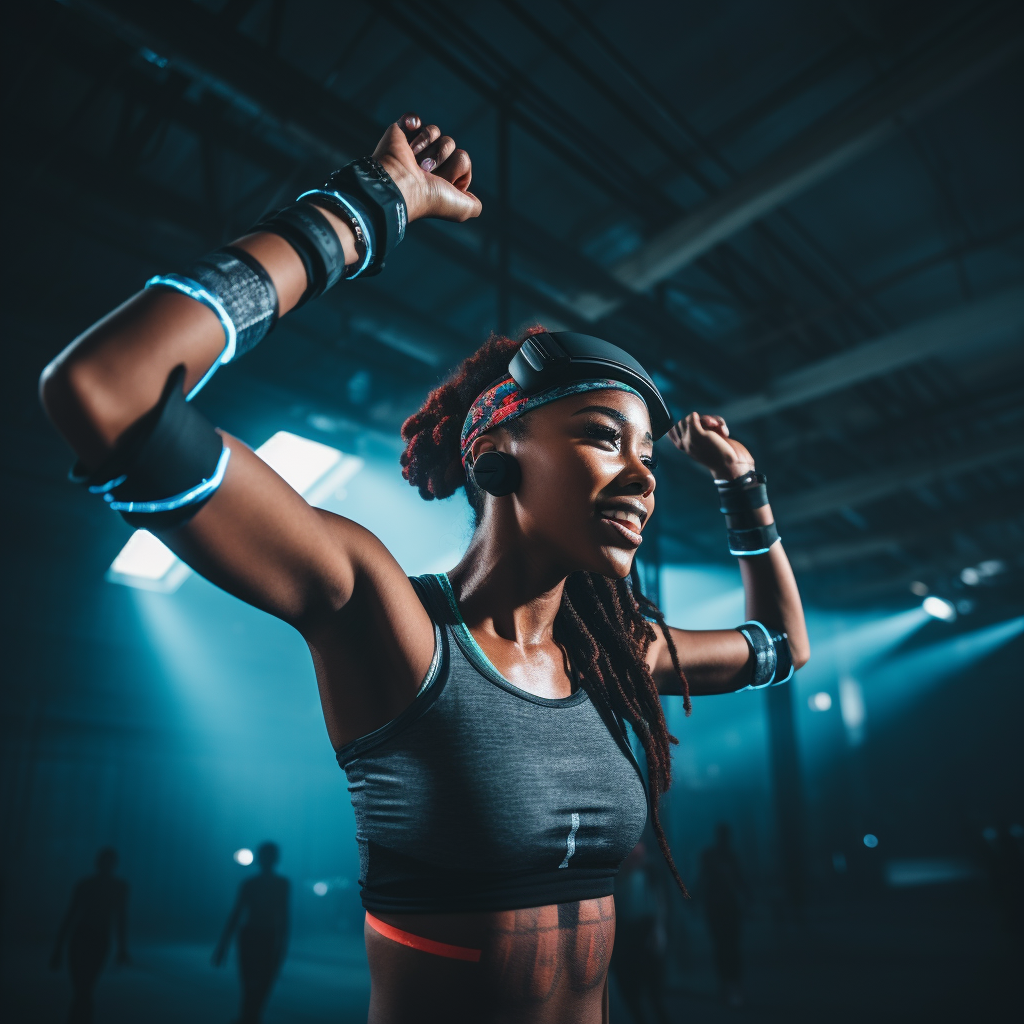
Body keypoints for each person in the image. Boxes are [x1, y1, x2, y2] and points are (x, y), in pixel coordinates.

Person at [39, 110, 809, 1023]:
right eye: (605, 439)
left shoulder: (616, 655)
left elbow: (781, 646)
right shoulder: (388, 619)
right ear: (500, 451)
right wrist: (364, 211)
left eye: (647, 453)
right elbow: (108, 391)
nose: (643, 476)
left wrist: (746, 490)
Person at [213, 841, 290, 1024]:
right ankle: (251, 1017)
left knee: (255, 982)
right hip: (261, 935)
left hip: (255, 935)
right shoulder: (280, 884)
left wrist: (222, 946)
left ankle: (249, 1017)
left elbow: (236, 914)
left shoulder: (253, 884)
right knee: (260, 981)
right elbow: (284, 918)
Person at [50, 847, 129, 1024]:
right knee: (84, 990)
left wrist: (58, 949)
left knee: (82, 990)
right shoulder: (118, 887)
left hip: (85, 938)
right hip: (95, 939)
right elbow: (120, 919)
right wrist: (122, 949)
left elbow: (70, 917)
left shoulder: (86, 885)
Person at [611, 840, 672, 1024]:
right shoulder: (616, 875)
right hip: (625, 935)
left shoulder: (649, 872)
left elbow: (660, 902)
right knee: (631, 991)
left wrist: (659, 930)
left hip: (646, 931)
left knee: (654, 993)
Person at [697, 823, 748, 1006]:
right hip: (724, 907)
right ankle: (731, 986)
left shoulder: (713, 856)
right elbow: (740, 881)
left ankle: (728, 986)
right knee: (729, 947)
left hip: (719, 907)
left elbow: (702, 879)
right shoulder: (727, 856)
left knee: (724, 947)